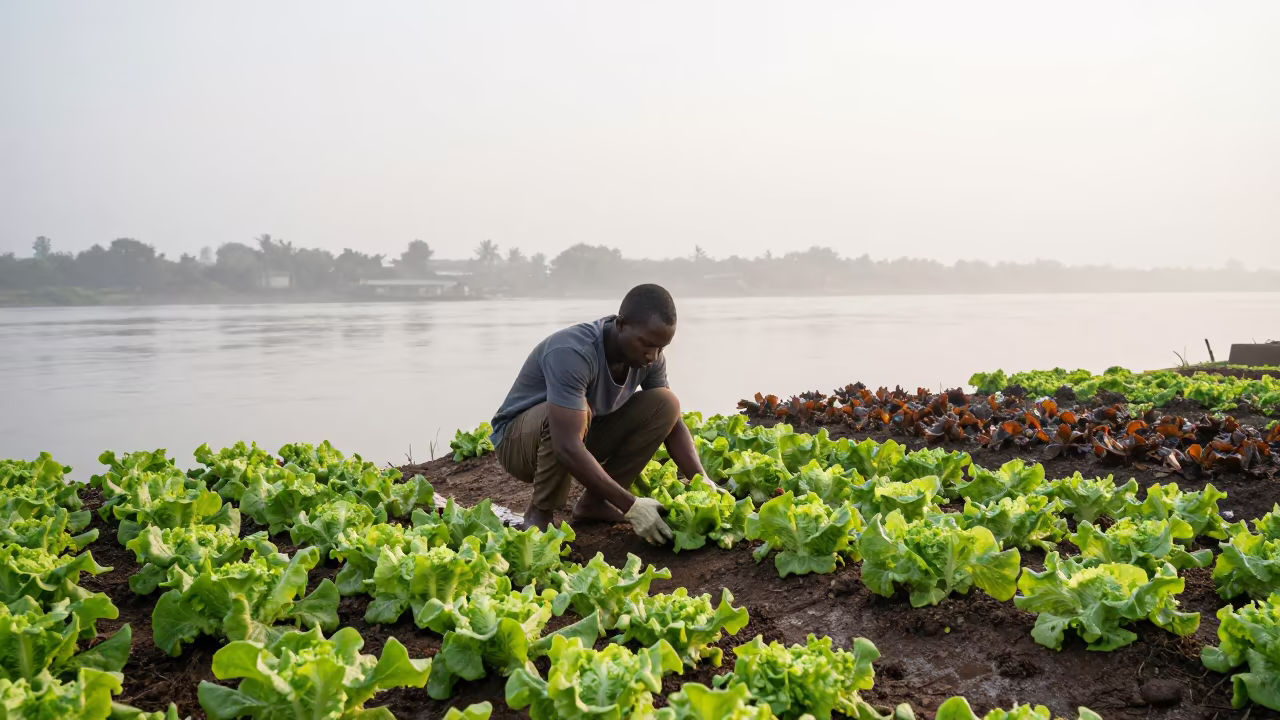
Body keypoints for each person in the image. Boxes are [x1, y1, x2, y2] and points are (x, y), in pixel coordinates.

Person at [489, 284, 721, 544]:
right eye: (646, 344)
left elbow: (673, 423)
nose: (652, 355)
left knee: (665, 403)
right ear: (621, 324)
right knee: (568, 415)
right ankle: (538, 515)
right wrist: (631, 506)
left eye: (661, 347)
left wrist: (703, 481)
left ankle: (595, 504)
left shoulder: (650, 358)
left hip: (577, 435)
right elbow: (566, 444)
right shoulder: (573, 351)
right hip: (518, 445)